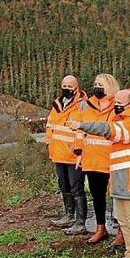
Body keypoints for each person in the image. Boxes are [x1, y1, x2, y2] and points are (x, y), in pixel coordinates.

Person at [69, 89, 130, 258]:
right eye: (115, 100)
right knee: (124, 221)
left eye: (119, 101)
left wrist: (82, 125)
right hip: (119, 180)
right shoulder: (123, 120)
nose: (115, 103)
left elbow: (109, 131)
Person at [72, 73, 120, 243]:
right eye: (95, 84)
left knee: (118, 196)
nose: (96, 87)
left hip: (113, 159)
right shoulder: (87, 105)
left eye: (100, 84)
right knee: (97, 195)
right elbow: (79, 130)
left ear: (110, 86)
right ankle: (101, 228)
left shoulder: (118, 106)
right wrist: (79, 153)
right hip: (92, 159)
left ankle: (122, 231)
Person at [46, 75, 88, 229]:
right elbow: (50, 125)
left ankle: (80, 221)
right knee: (64, 185)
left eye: (70, 86)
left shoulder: (83, 105)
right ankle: (69, 215)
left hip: (74, 155)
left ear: (77, 88)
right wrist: (49, 142)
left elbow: (83, 130)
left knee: (76, 187)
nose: (67, 89)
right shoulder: (57, 104)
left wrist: (79, 150)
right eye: (65, 85)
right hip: (58, 153)